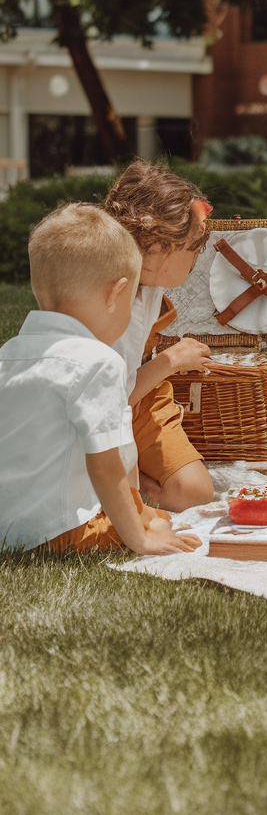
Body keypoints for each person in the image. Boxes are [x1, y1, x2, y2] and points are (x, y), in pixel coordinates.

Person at [0, 203, 201, 555]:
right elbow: (108, 468)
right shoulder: (99, 363)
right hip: (58, 531)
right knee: (163, 524)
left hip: (10, 525)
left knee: (155, 516)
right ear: (115, 293)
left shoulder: (11, 353)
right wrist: (139, 537)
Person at [104, 162, 215, 512]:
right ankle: (111, 493)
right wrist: (171, 361)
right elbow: (107, 403)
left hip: (138, 393)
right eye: (192, 247)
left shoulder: (148, 280)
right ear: (154, 246)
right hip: (103, 409)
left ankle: (121, 488)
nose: (197, 258)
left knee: (194, 491)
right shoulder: (114, 309)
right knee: (186, 494)